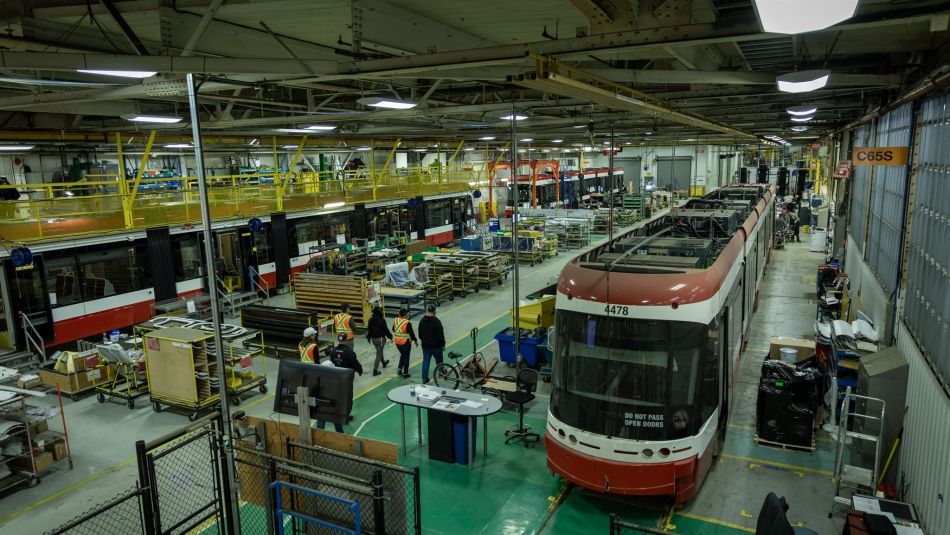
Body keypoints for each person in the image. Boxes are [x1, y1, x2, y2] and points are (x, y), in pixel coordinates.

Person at [418, 305, 445, 384]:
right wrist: (442, 344)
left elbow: (420, 334)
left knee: (426, 361)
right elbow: (441, 334)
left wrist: (424, 340)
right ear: (433, 311)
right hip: (436, 346)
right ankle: (441, 373)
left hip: (425, 346)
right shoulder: (436, 321)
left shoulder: (422, 320)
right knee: (439, 361)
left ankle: (424, 378)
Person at [365, 306, 392, 376]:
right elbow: (386, 330)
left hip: (373, 339)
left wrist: (368, 338)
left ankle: (383, 363)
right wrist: (390, 337)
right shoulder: (382, 320)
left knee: (379, 350)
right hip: (381, 339)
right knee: (378, 354)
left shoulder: (370, 320)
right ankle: (375, 370)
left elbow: (369, 330)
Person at [391, 308, 417, 378]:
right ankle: (405, 373)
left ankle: (399, 369)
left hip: (397, 342)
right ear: (405, 315)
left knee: (402, 355)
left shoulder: (396, 320)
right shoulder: (407, 322)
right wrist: (415, 340)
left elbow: (393, 329)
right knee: (406, 357)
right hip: (405, 342)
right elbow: (411, 333)